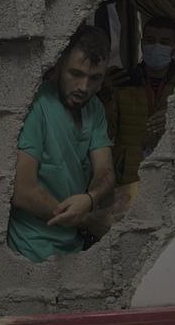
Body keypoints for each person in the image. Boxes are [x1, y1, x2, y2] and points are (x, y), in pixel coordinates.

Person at [7, 25, 116, 263]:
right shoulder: (36, 106)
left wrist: (90, 199)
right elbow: (22, 191)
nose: (84, 87)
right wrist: (86, 218)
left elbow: (105, 171)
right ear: (59, 65)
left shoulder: (94, 108)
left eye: (95, 78)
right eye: (76, 74)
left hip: (75, 248)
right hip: (31, 252)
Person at [101, 16, 175, 185]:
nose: (156, 46)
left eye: (164, 42)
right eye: (151, 41)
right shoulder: (123, 81)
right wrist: (104, 93)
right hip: (128, 176)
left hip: (172, 174)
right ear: (142, 42)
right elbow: (105, 132)